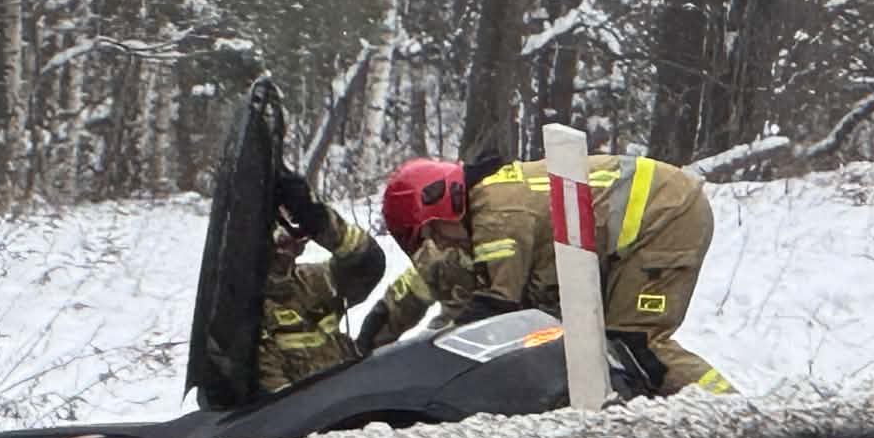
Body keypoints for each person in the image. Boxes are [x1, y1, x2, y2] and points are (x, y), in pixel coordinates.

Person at [362, 152, 733, 396]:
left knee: (636, 344)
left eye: (435, 233)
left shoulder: (497, 209)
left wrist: (435, 361)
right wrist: (369, 348)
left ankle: (731, 413)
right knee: (602, 346)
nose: (442, 244)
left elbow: (494, 310)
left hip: (664, 215)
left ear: (444, 203)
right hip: (635, 231)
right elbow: (426, 285)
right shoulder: (483, 218)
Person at [256, 169, 387, 393]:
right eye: (284, 231)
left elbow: (367, 264)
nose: (298, 242)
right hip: (317, 422)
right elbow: (277, 408)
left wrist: (319, 220)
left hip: (359, 404)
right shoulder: (246, 314)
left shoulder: (313, 282)